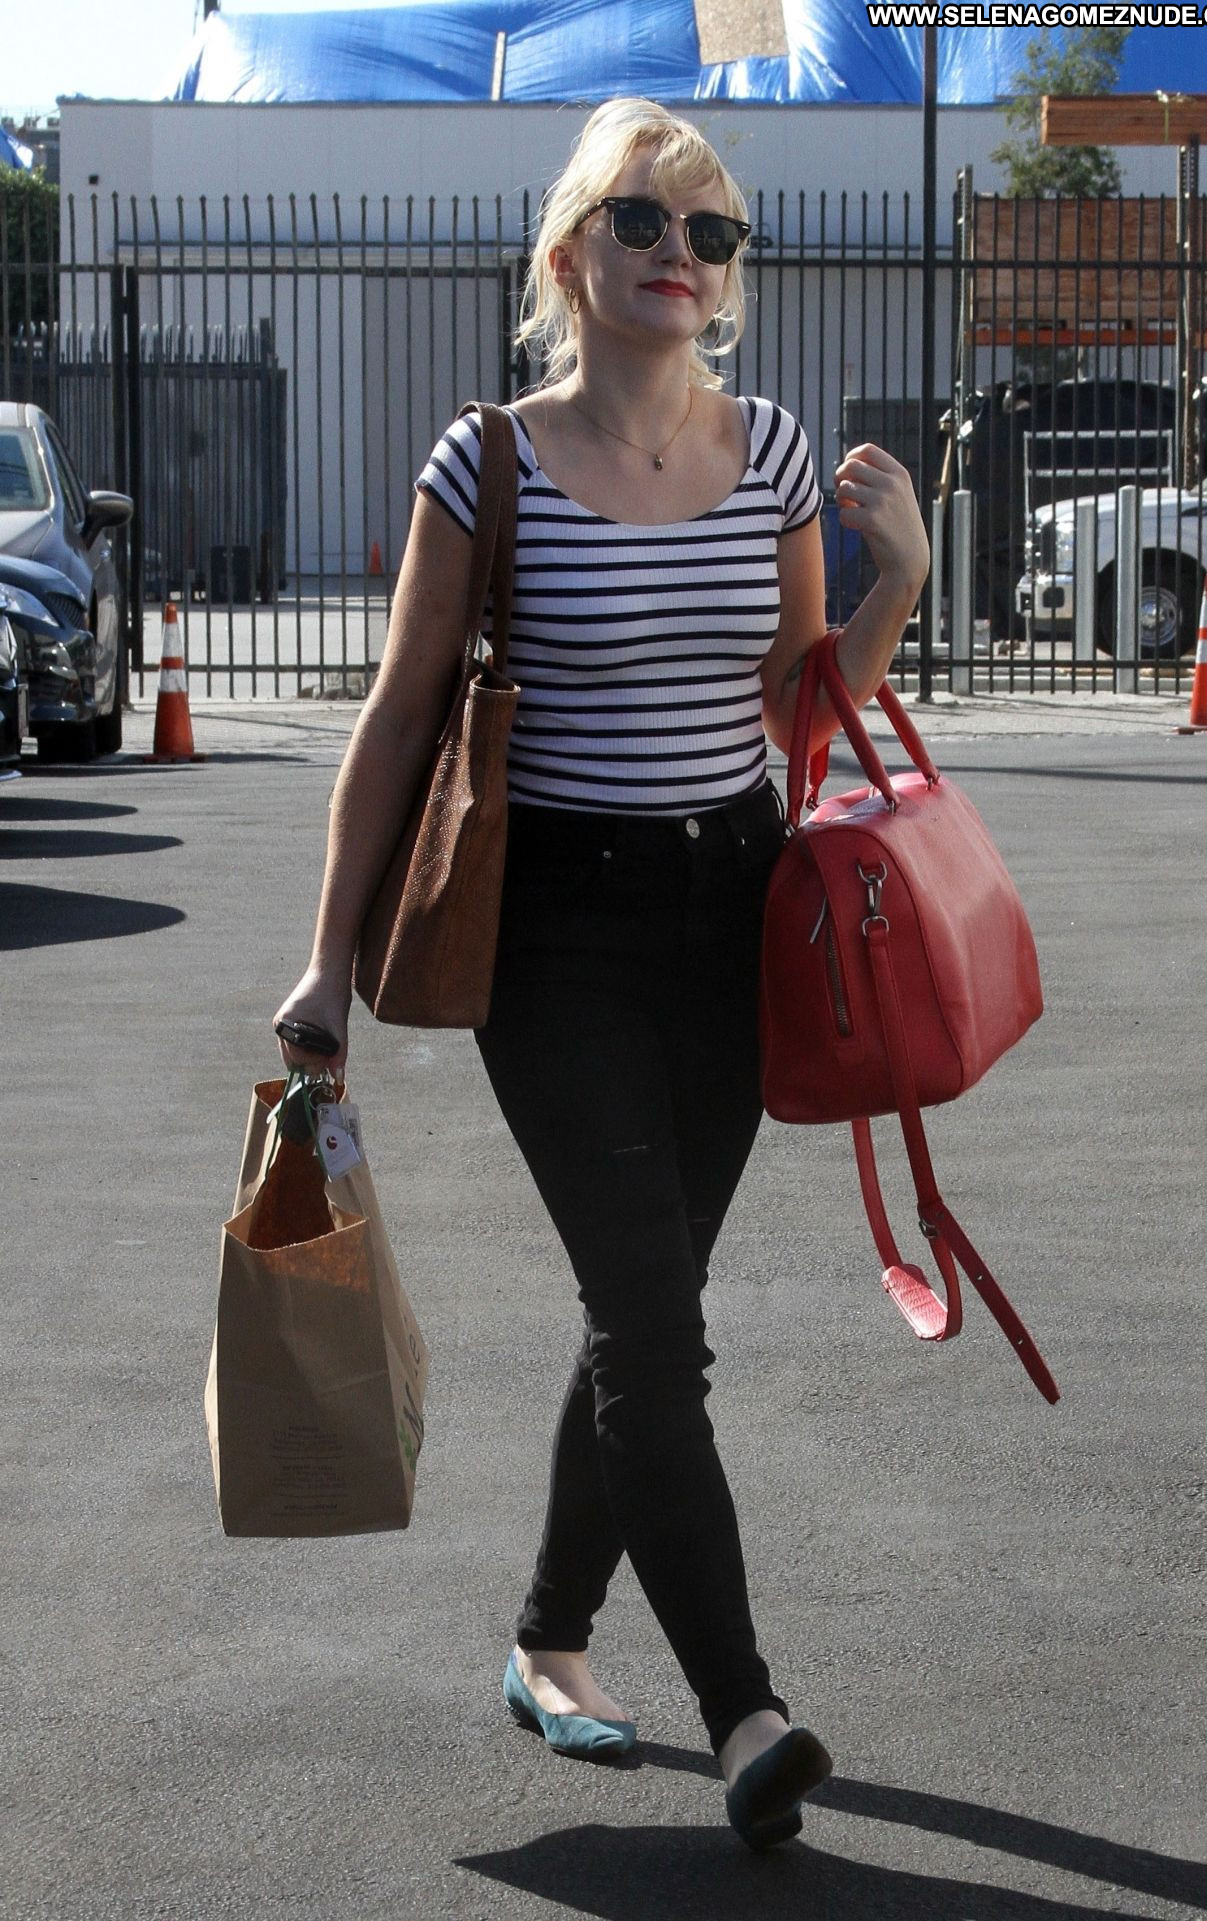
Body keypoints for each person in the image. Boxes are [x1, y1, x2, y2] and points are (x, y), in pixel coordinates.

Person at [274, 96, 929, 1850]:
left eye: (710, 233)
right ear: (573, 251)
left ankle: (549, 1637)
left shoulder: (772, 450)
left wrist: (901, 582)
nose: (678, 255)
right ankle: (747, 1712)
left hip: (733, 912)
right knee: (656, 1323)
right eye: (643, 221)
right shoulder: (485, 460)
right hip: (555, 930)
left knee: (647, 1311)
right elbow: (400, 715)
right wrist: (325, 963)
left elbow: (805, 708)